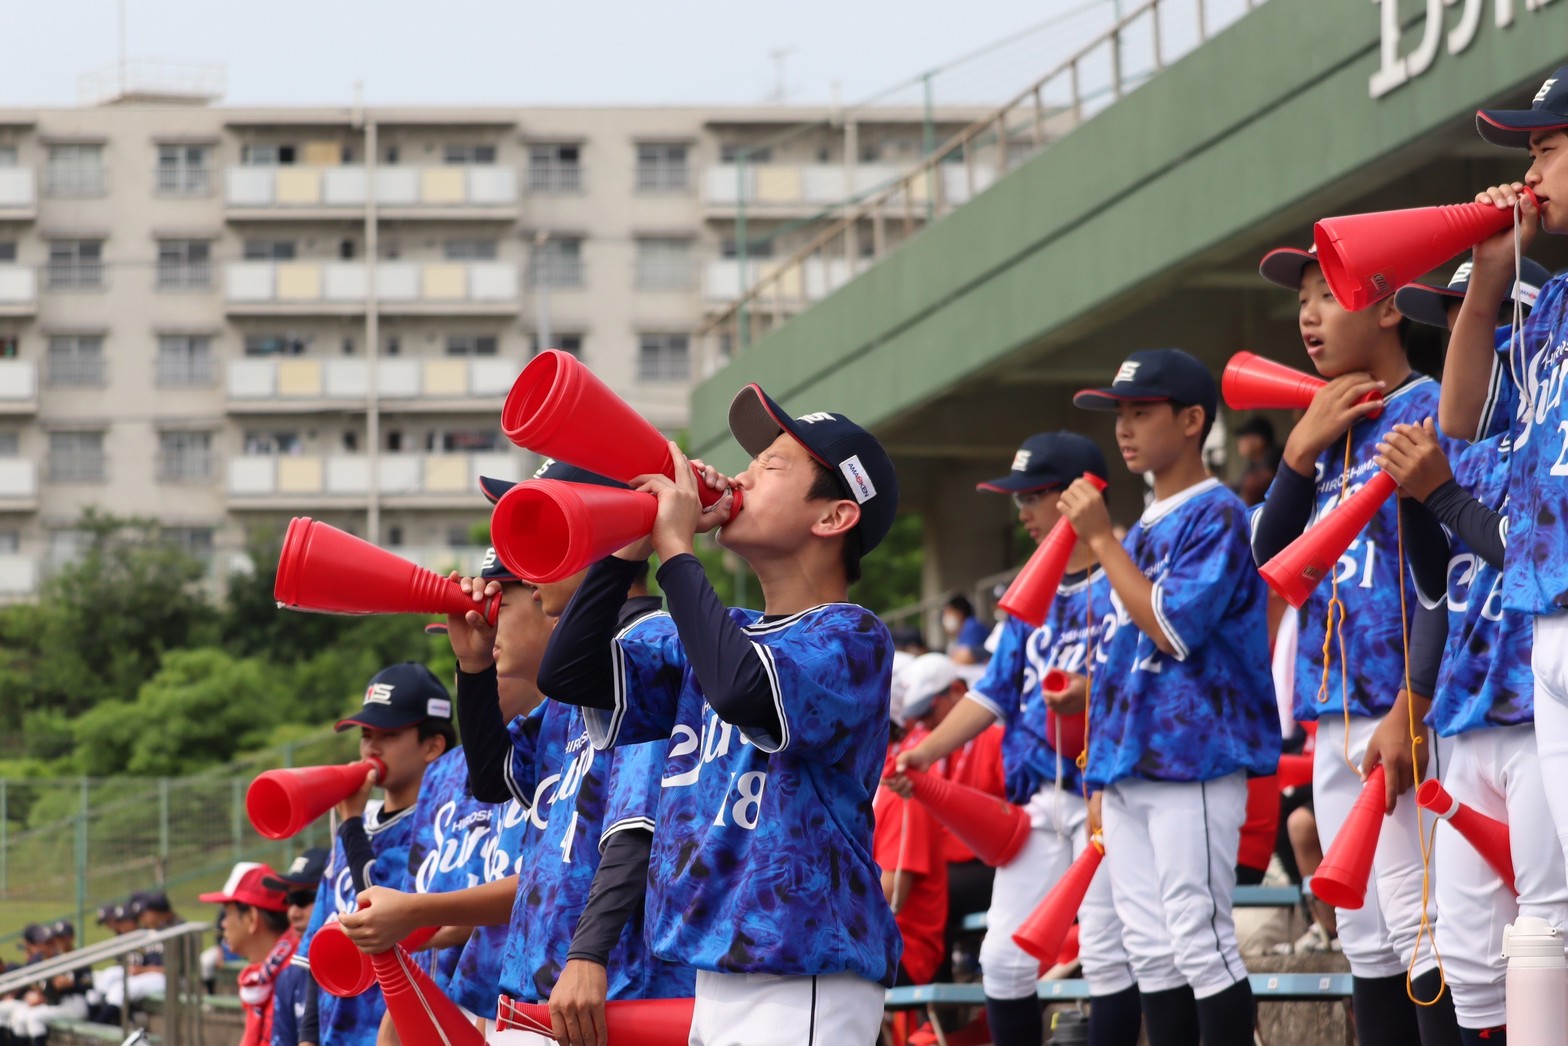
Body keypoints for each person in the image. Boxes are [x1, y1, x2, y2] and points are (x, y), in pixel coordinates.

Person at [536, 386, 902, 1045]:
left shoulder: (852, 635)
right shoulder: (717, 630)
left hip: (804, 965)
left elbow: (742, 692)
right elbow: (568, 673)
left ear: (834, 516)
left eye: (771, 466)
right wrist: (630, 537)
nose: (741, 475)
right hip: (715, 966)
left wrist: (676, 550)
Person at [340, 464, 692, 1046]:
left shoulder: (650, 643)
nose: (530, 565)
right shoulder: (567, 696)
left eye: (545, 537)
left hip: (617, 988)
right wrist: (473, 671)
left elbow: (638, 831)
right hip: (545, 989)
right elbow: (494, 780)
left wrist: (588, 955)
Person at [1252, 242, 1462, 1046]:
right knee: (1369, 940)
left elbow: (1449, 578)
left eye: (1327, 293)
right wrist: (1299, 455)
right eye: (1301, 299)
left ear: (1386, 308)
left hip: (1408, 707)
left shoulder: (1436, 405)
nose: (1308, 314)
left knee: (1426, 931)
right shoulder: (1323, 425)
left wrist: (1417, 696)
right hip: (1334, 712)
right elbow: (1271, 566)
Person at [888, 430, 1139, 1046]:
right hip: (1045, 796)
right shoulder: (1034, 587)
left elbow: (1154, 671)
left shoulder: (1126, 564)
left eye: (1034, 496)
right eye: (1018, 498)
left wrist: (1092, 689)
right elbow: (992, 692)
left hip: (1115, 789)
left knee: (1107, 953)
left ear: (1077, 495)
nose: (1022, 511)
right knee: (1003, 960)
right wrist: (926, 751)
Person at [1062, 349, 1279, 1046]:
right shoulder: (1151, 522)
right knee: (1150, 948)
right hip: (1132, 759)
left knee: (1199, 939)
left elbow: (1174, 629)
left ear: (1192, 421)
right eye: (1120, 414)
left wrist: (1100, 539)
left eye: (1141, 412)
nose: (1124, 428)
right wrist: (1099, 769)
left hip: (1197, 754)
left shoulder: (1218, 510)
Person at [1434, 72, 1568, 890]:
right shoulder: (1551, 303)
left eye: (1547, 149)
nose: (1531, 174)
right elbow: (1463, 419)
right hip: (1547, 616)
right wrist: (1489, 275)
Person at [291, 662, 455, 1046]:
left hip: (397, 1030)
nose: (371, 747)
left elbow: (383, 911)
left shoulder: (444, 823)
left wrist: (350, 827)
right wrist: (308, 1038)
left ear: (432, 744)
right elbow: (320, 938)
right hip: (339, 1030)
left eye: (389, 734)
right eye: (366, 734)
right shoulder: (354, 823)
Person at [200, 862, 297, 1046]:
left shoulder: (293, 977)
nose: (223, 924)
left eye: (227, 914)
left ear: (251, 918)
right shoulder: (264, 976)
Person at [263, 848, 325, 1046]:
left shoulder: (370, 972)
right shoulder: (289, 977)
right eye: (290, 900)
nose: (292, 913)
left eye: (303, 899)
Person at [1233, 417, 1281, 507]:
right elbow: (1240, 487)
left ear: (1259, 440)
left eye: (1245, 437)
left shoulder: (1276, 456)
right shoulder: (1253, 464)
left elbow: (1253, 487)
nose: (1239, 442)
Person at [942, 595, 991, 665]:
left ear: (959, 613)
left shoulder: (971, 625)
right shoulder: (961, 630)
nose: (945, 616)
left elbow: (965, 657)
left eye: (949, 612)